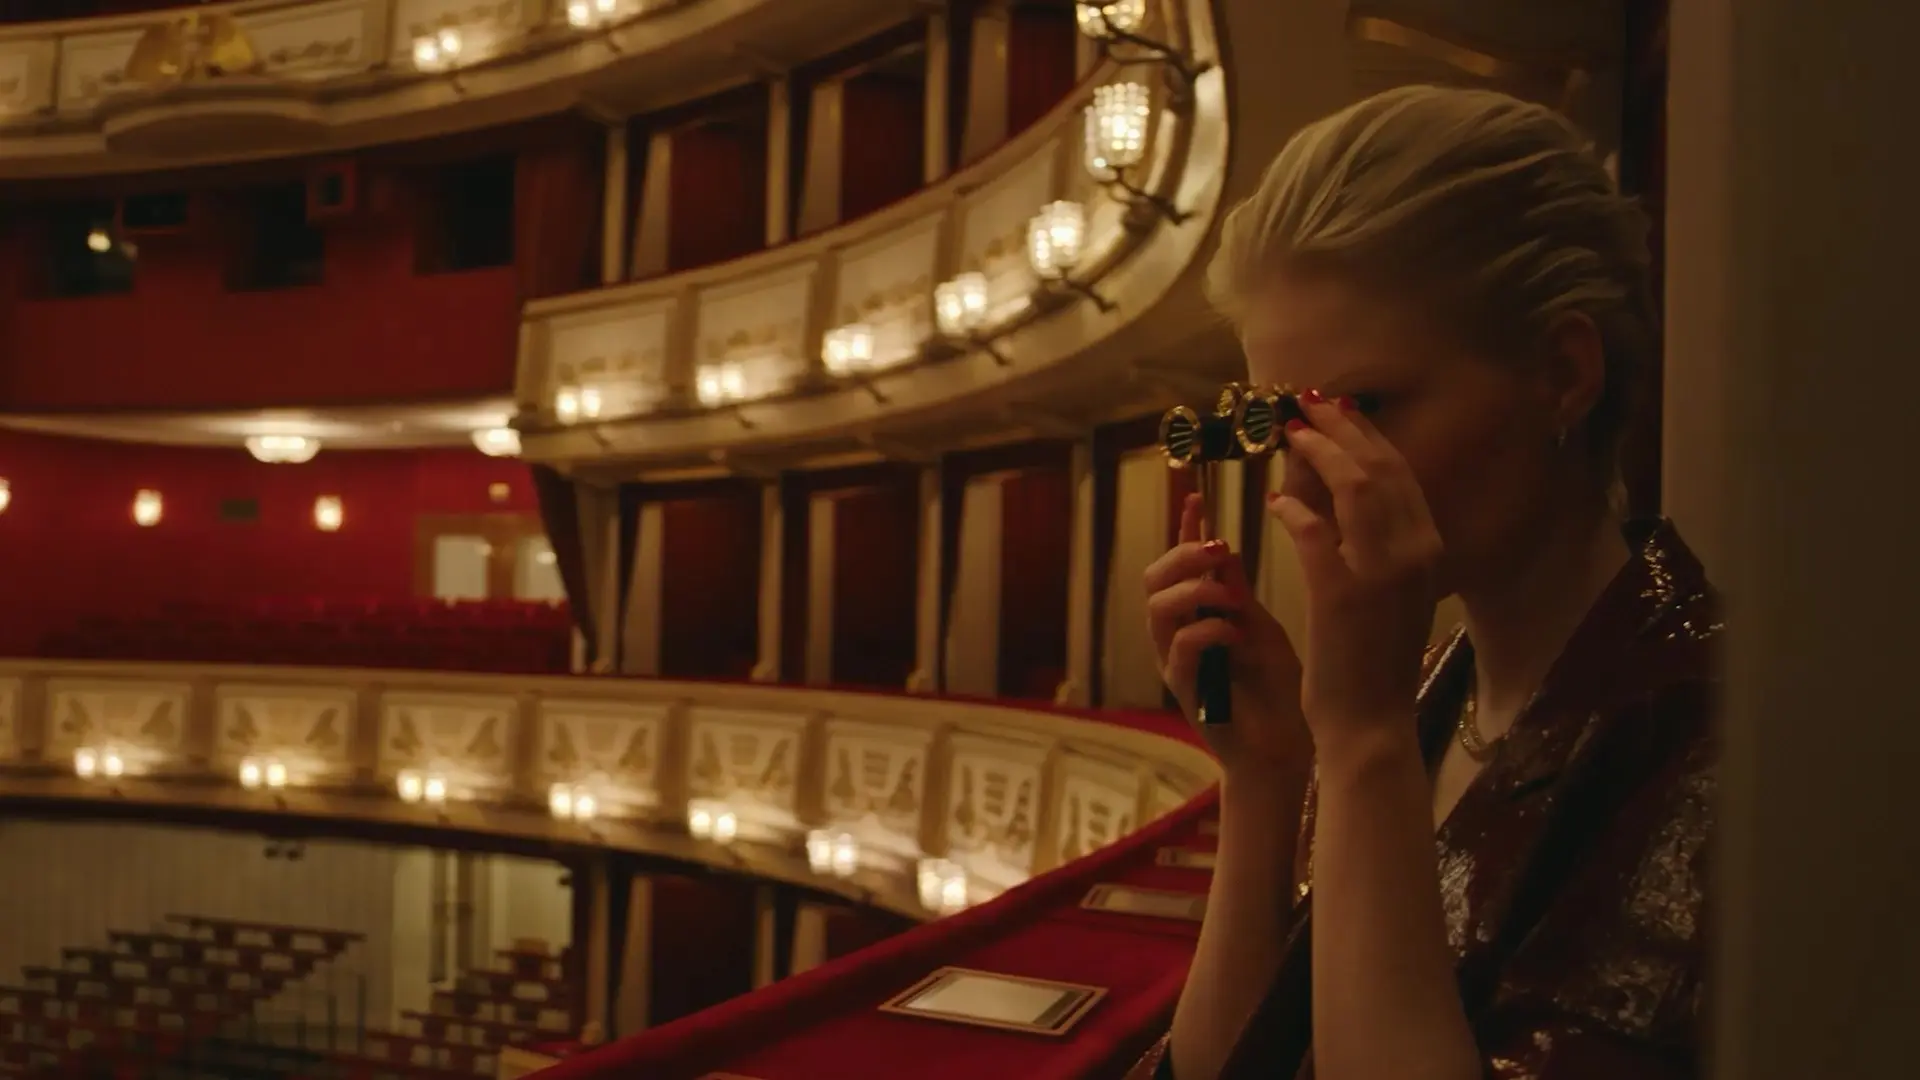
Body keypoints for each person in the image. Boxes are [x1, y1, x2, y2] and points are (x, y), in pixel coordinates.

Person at [1129, 85, 1715, 1080]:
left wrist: (1358, 741)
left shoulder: (1710, 723)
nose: (1310, 475)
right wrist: (1266, 779)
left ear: (1564, 374)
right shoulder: (1428, 684)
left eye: (1363, 410)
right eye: (1285, 427)